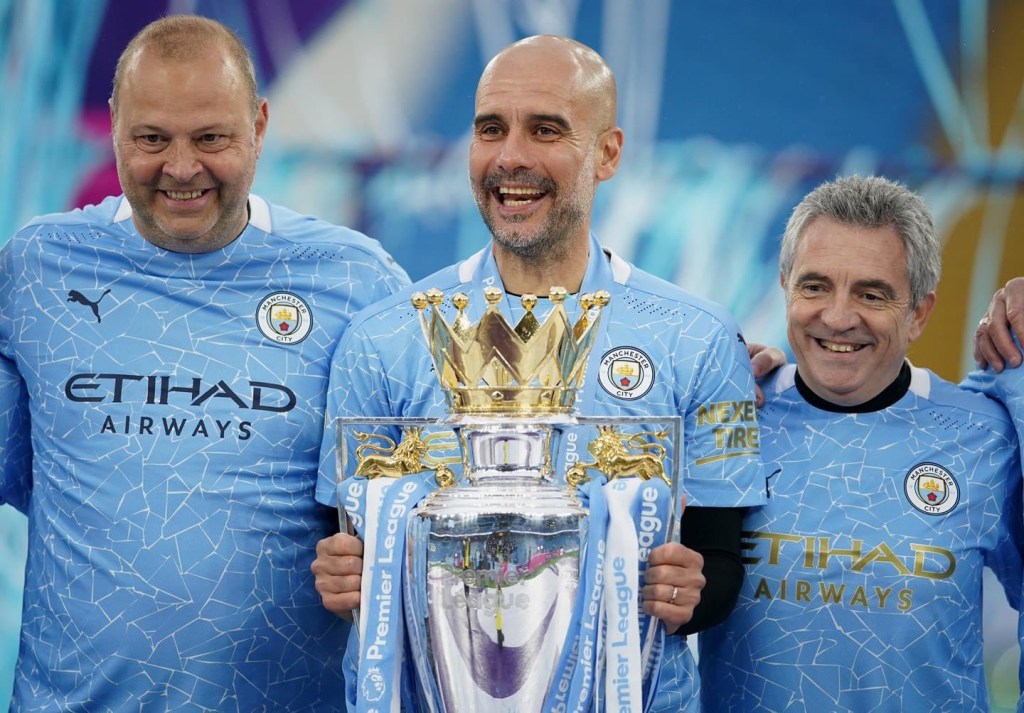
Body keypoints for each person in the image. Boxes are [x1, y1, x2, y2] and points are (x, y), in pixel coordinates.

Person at [311, 35, 771, 711]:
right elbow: (343, 542)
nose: (510, 157)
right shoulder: (382, 337)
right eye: (490, 129)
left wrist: (689, 593)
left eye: (546, 130)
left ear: (607, 153)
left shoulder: (698, 338)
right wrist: (341, 573)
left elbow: (722, 561)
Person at [0, 15, 409, 711]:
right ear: (114, 124)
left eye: (211, 138)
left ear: (260, 125)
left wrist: (381, 559)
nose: (182, 168)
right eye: (152, 139)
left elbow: (416, 501)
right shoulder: (37, 269)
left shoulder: (355, 280)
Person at [698, 175, 1024, 712]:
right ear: (784, 287)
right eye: (814, 287)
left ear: (919, 313)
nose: (838, 317)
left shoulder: (987, 438)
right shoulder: (728, 417)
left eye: (871, 295)